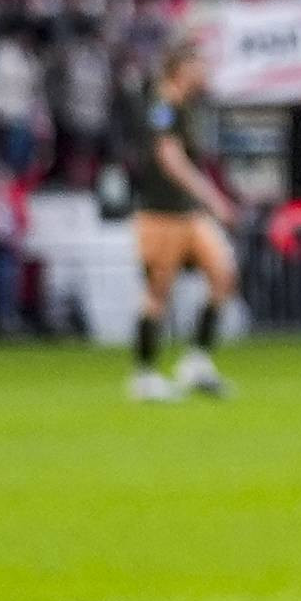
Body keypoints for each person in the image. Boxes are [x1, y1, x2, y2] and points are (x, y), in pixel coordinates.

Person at [121, 32, 242, 403]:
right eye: (199, 64)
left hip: (188, 213)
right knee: (157, 293)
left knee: (223, 273)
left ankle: (196, 362)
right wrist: (213, 198)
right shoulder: (163, 105)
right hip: (160, 213)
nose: (205, 71)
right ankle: (144, 376)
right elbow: (170, 159)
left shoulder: (186, 106)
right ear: (182, 67)